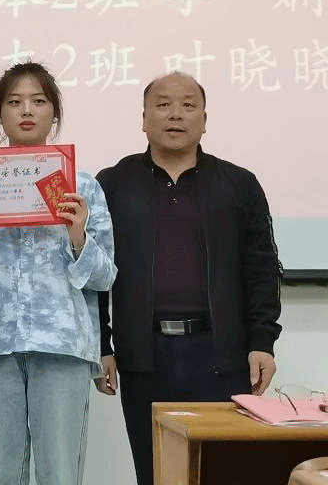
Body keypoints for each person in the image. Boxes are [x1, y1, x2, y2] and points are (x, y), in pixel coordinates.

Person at [0, 61, 117, 485]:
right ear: (0, 115)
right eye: (14, 102)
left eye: (39, 101)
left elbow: (105, 276)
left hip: (63, 347)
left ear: (55, 113)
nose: (27, 110)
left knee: (60, 474)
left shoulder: (82, 187)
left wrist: (77, 236)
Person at [94, 71, 282, 485]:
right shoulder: (112, 184)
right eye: (163, 105)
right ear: (143, 119)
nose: (175, 114)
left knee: (222, 473)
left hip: (222, 357)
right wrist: (101, 345)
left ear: (205, 120)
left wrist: (262, 342)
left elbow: (262, 269)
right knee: (155, 473)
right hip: (144, 357)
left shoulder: (239, 184)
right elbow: (96, 274)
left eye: (188, 105)